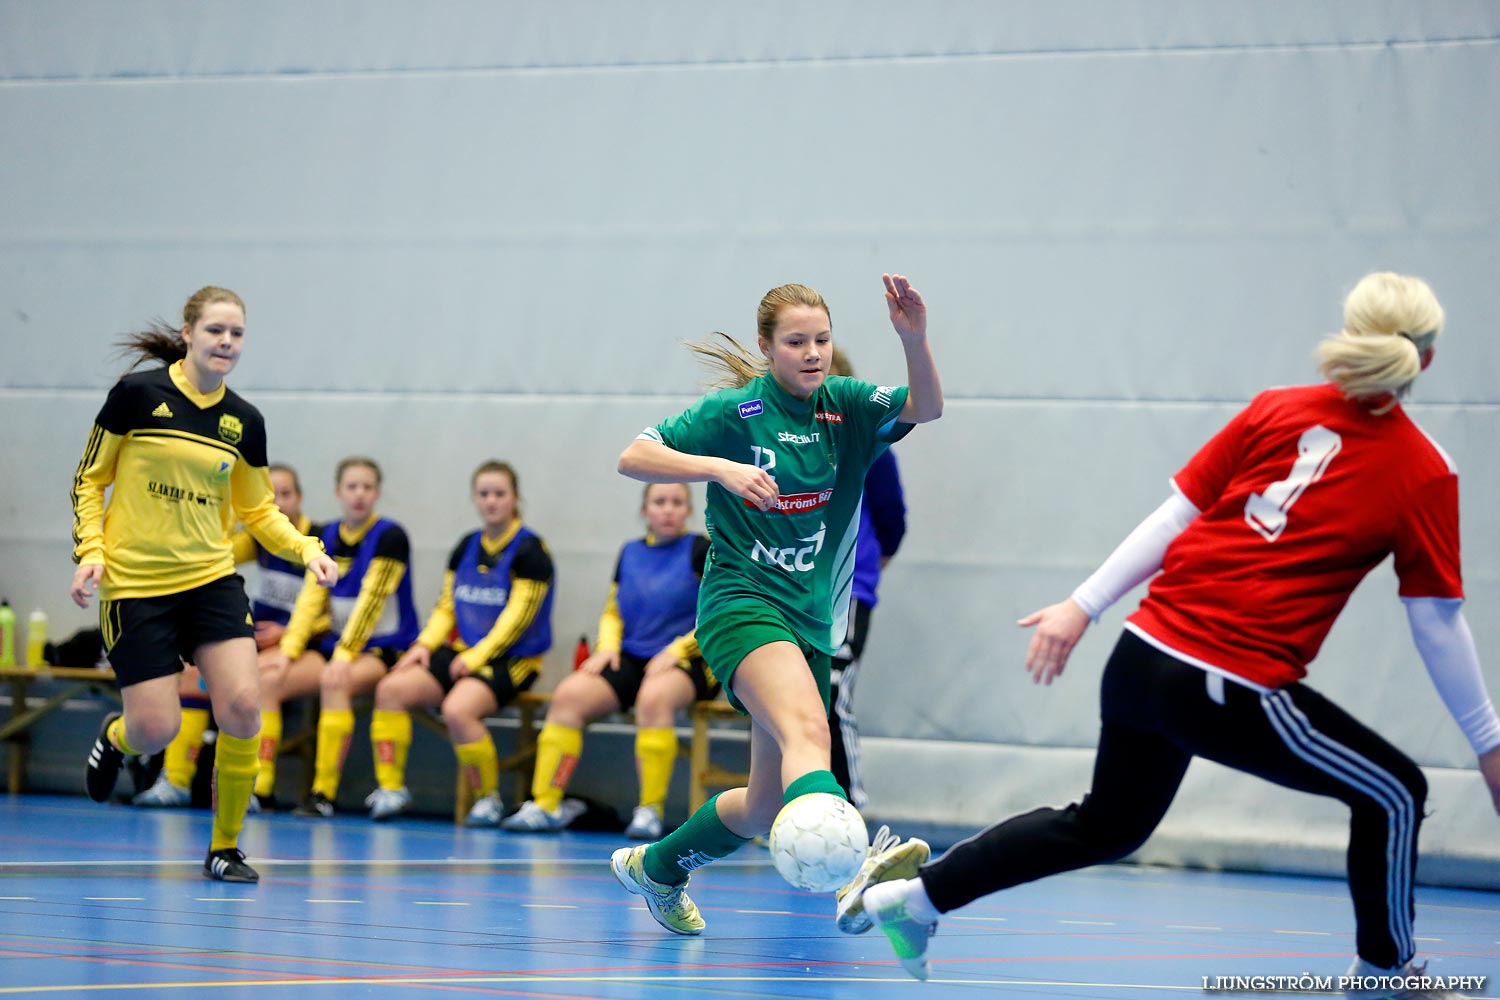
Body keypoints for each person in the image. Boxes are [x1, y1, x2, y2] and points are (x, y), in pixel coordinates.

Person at [854, 272, 1500, 992]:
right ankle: (1385, 972)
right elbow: (1437, 625)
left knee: (1107, 826)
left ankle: (917, 898)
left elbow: (1175, 517)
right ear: (1430, 357)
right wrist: (1490, 745)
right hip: (1226, 679)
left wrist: (1085, 605)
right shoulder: (1423, 469)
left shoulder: (1278, 409)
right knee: (1395, 792)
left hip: (1141, 657)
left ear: (1351, 335)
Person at [608, 274, 942, 936]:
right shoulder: (735, 416)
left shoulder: (846, 408)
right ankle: (855, 874)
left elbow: (926, 407)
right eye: (796, 341)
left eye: (822, 339)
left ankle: (660, 868)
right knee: (809, 735)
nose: (813, 352)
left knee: (764, 807)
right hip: (741, 603)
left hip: (809, 619)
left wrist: (914, 338)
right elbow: (634, 456)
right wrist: (718, 469)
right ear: (767, 347)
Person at [71, 285, 338, 883]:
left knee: (244, 706)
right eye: (216, 330)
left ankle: (225, 848)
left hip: (209, 580)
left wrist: (308, 550)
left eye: (237, 333)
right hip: (136, 585)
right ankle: (116, 738)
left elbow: (259, 511)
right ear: (188, 333)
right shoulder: (137, 396)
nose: (227, 342)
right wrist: (90, 551)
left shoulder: (243, 421)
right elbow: (90, 479)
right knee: (156, 728)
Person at [503, 482, 713, 837]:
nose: (668, 509)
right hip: (631, 656)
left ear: (689, 510)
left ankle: (649, 811)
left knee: (653, 698)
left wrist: (676, 651)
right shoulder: (629, 552)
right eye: (659, 501)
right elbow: (614, 610)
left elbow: (716, 612)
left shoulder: (700, 550)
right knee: (569, 695)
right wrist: (608, 647)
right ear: (645, 510)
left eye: (677, 502)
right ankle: (546, 804)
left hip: (692, 658)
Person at [365, 461, 554, 826]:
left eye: (499, 494)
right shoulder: (467, 545)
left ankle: (488, 799)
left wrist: (477, 656)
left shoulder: (531, 551)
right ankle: (391, 789)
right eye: (484, 494)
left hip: (515, 659)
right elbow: (446, 606)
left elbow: (517, 620)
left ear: (515, 498)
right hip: (466, 654)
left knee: (457, 710)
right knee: (391, 689)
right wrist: (424, 645)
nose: (491, 501)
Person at [132, 462, 318, 809]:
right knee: (191, 676)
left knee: (257, 683)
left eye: (286, 494)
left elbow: (322, 607)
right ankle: (175, 780)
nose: (279, 502)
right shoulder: (263, 540)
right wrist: (233, 511)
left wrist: (288, 634)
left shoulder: (315, 541)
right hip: (261, 640)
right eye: (270, 496)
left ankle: (257, 788)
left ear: (301, 498)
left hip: (303, 645)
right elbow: (219, 551)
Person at [260, 457, 419, 817]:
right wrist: (289, 649)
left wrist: (346, 655)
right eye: (352, 487)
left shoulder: (390, 537)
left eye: (366, 487)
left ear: (377, 492)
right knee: (269, 679)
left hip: (383, 648)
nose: (359, 495)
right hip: (335, 645)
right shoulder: (327, 536)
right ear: (338, 492)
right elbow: (310, 599)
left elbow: (372, 602)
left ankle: (323, 794)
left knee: (335, 682)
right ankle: (261, 789)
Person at [825, 348, 908, 810]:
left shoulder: (868, 443)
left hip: (848, 588)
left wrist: (869, 566)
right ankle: (796, 801)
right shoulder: (785, 439)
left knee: (834, 688)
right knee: (794, 693)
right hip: (795, 585)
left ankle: (848, 806)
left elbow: (892, 516)